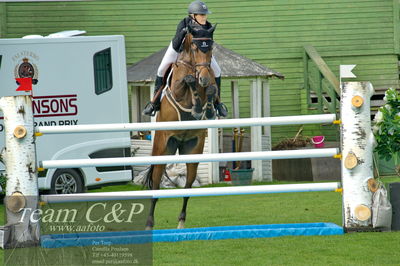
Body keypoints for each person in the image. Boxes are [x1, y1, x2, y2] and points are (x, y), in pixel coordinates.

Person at [142, 0, 227, 117]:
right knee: (161, 70)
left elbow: (209, 44)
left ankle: (217, 103)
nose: (204, 17)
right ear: (193, 15)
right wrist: (184, 32)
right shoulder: (184, 23)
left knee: (217, 71)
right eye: (202, 14)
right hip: (179, 50)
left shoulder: (208, 26)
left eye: (205, 14)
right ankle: (154, 103)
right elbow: (177, 41)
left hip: (201, 54)